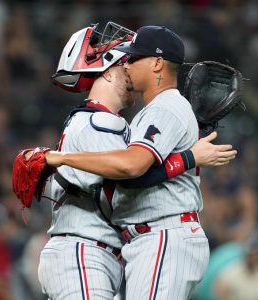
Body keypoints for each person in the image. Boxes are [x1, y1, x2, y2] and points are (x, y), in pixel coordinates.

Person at [37, 23, 237, 299]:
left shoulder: (164, 106)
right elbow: (131, 176)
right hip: (138, 240)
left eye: (133, 57)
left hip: (162, 233)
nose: (126, 65)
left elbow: (131, 169)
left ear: (156, 63)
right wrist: (188, 157)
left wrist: (58, 158)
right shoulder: (145, 113)